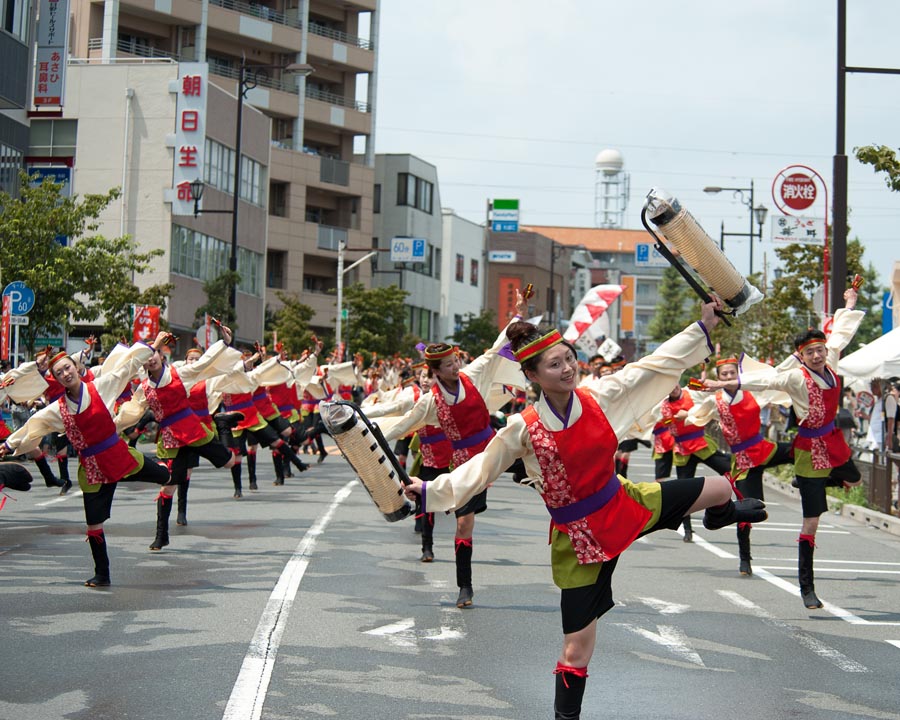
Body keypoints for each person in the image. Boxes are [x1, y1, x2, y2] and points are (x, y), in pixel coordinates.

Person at [402, 297, 766, 720]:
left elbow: (651, 366)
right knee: (577, 648)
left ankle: (719, 515)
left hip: (624, 503)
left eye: (569, 359)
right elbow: (479, 471)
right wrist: (428, 491)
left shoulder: (598, 397)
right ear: (532, 376)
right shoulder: (523, 428)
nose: (567, 368)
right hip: (578, 541)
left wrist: (703, 327)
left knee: (722, 486)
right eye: (554, 365)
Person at [707, 284, 863, 610]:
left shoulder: (831, 361)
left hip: (833, 443)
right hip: (808, 450)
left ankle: (809, 480)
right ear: (801, 357)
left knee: (855, 478)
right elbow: (763, 381)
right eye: (810, 353)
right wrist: (722, 384)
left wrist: (849, 301)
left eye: (820, 349)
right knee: (812, 520)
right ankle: (807, 588)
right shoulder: (795, 378)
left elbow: (842, 335)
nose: (818, 355)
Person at [376, 292, 529, 608]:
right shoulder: (429, 401)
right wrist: (369, 433)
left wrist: (518, 316)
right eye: (448, 364)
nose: (456, 365)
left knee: (540, 457)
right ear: (435, 370)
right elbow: (404, 424)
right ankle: (465, 587)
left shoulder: (473, 375)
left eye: (456, 359)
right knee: (463, 523)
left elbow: (498, 347)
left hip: (495, 449)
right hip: (466, 466)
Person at [0, 336, 173, 587]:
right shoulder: (58, 408)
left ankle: (166, 473)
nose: (65, 373)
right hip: (92, 468)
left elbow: (127, 366)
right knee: (93, 523)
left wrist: (154, 344)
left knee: (163, 476)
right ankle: (102, 574)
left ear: (76, 368)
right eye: (59, 373)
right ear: (57, 380)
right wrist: (8, 445)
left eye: (67, 368)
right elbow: (33, 425)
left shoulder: (101, 385)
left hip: (118, 454)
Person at [690, 356, 793, 575]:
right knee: (748, 510)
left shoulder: (752, 392)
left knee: (801, 448)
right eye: (724, 374)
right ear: (718, 378)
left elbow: (775, 379)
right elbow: (694, 401)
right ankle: (745, 559)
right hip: (743, 459)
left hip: (763, 449)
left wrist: (795, 358)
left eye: (732, 373)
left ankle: (814, 479)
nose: (728, 377)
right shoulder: (715, 401)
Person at [660, 381, 732, 542]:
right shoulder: (664, 405)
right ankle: (687, 529)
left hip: (700, 443)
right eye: (669, 386)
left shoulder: (690, 390)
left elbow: (706, 389)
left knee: (728, 469)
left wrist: (689, 413)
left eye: (674, 383)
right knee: (685, 493)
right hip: (683, 450)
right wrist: (672, 418)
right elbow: (664, 423)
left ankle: (730, 504)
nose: (673, 387)